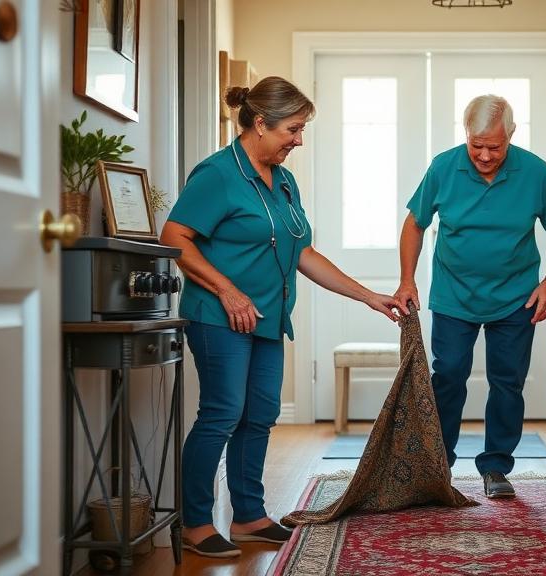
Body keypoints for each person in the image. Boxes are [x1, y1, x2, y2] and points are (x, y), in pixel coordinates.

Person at [161, 77, 401, 559]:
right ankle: (195, 523)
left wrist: (367, 296)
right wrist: (228, 291)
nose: (298, 139)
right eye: (293, 129)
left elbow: (303, 253)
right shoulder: (217, 174)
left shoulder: (284, 179)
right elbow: (174, 237)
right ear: (259, 123)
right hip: (218, 317)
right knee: (222, 414)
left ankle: (249, 516)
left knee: (260, 416)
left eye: (302, 129)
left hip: (268, 319)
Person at [394, 95, 546, 499]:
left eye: (496, 146)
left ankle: (495, 467)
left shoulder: (535, 171)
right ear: (465, 134)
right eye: (477, 145)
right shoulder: (444, 166)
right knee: (449, 375)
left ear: (511, 134)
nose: (486, 155)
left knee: (507, 381)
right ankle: (439, 465)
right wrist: (407, 280)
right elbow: (415, 223)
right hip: (455, 294)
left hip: (516, 297)